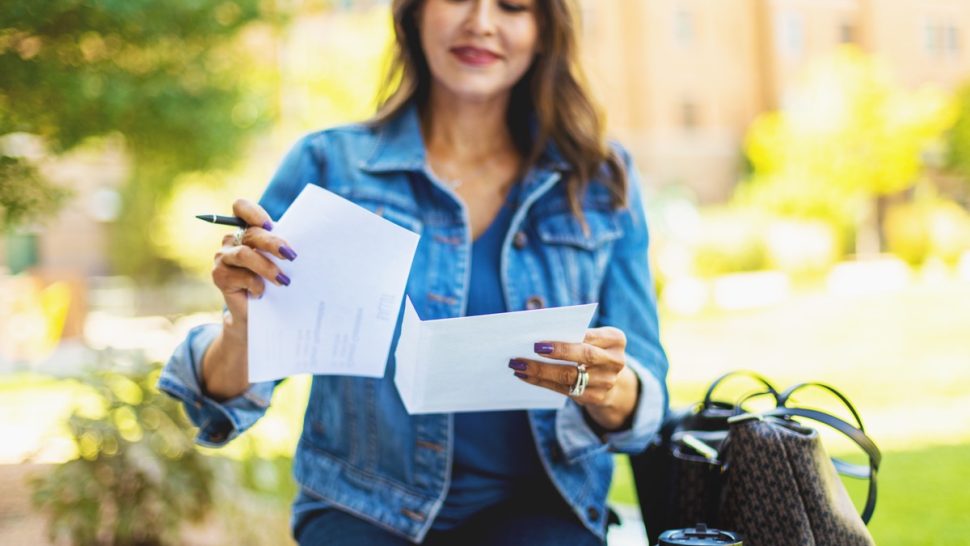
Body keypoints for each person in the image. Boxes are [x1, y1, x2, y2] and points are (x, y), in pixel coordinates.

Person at [159, 0, 669, 544]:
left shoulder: (599, 179)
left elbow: (645, 391)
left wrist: (609, 388)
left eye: (512, 6)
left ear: (544, 30)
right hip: (360, 506)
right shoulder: (330, 166)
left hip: (543, 505)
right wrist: (244, 325)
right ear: (413, 15)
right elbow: (220, 396)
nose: (481, 21)